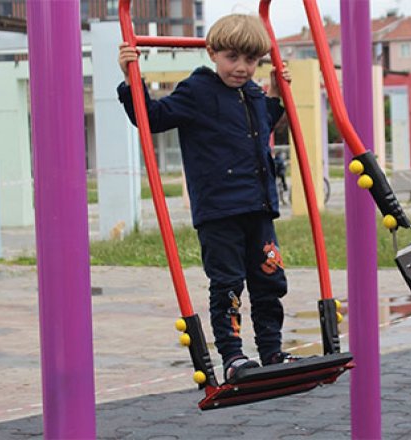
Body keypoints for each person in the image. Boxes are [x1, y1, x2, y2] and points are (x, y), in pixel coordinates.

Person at [117, 14, 299, 383]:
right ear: (213, 53)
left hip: (258, 207)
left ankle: (271, 350)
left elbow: (266, 120)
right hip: (219, 211)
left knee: (269, 281)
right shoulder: (197, 91)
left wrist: (278, 91)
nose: (242, 68)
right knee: (229, 282)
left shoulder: (252, 94)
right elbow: (151, 117)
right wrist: (129, 79)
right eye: (233, 58)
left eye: (251, 61)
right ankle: (233, 356)